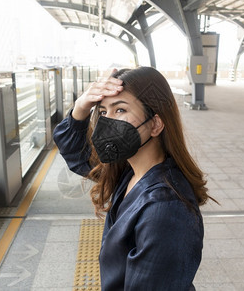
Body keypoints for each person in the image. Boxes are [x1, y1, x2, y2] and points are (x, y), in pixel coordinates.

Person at [53, 67, 215, 290]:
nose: (106, 122)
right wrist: (81, 107)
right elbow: (76, 154)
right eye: (102, 112)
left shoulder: (165, 209)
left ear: (156, 124)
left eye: (120, 110)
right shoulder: (128, 171)